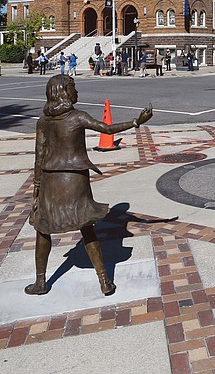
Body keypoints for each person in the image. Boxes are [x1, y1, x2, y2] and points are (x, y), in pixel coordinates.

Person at [25, 75, 153, 296]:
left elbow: (39, 156)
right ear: (63, 92)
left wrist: (36, 186)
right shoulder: (77, 117)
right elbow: (107, 129)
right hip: (75, 178)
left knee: (43, 228)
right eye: (74, 88)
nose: (77, 93)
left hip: (50, 179)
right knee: (86, 225)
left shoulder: (43, 122)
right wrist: (136, 122)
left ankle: (40, 282)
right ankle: (104, 281)